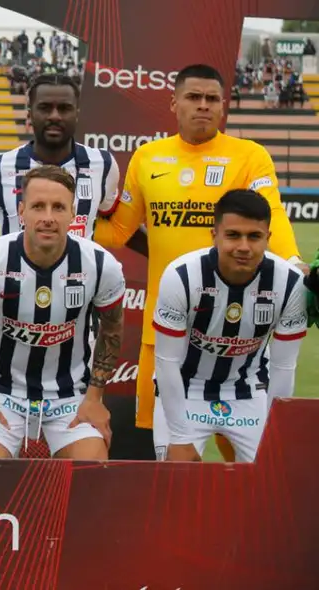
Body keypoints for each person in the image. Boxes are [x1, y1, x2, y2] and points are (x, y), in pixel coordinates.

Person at [93, 63, 306, 460]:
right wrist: (68, 225)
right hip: (168, 331)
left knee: (249, 459)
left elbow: (272, 213)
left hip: (235, 334)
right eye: (193, 97)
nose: (203, 106)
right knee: (169, 455)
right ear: (174, 102)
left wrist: (292, 261)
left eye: (212, 99)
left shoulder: (249, 157)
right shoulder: (148, 158)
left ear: (223, 107)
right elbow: (119, 231)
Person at [0, 166, 126, 460]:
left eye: (58, 207)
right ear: (21, 212)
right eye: (37, 206)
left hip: (70, 397)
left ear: (73, 213)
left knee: (92, 474)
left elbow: (112, 328)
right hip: (3, 394)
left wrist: (95, 397)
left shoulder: (100, 264)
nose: (48, 217)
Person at [153, 190, 307, 462]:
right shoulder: (181, 276)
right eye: (233, 235)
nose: (244, 247)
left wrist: (275, 435)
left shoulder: (291, 283)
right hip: (186, 388)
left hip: (248, 388)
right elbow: (166, 362)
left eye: (254, 236)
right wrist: (179, 437)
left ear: (268, 238)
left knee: (273, 478)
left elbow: (284, 367)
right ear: (215, 234)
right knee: (177, 482)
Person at [0, 73, 142, 254]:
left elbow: (122, 226)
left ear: (77, 114)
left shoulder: (102, 164)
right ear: (30, 113)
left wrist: (166, 254)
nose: (55, 116)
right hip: (16, 289)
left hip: (79, 288)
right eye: (45, 107)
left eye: (64, 108)